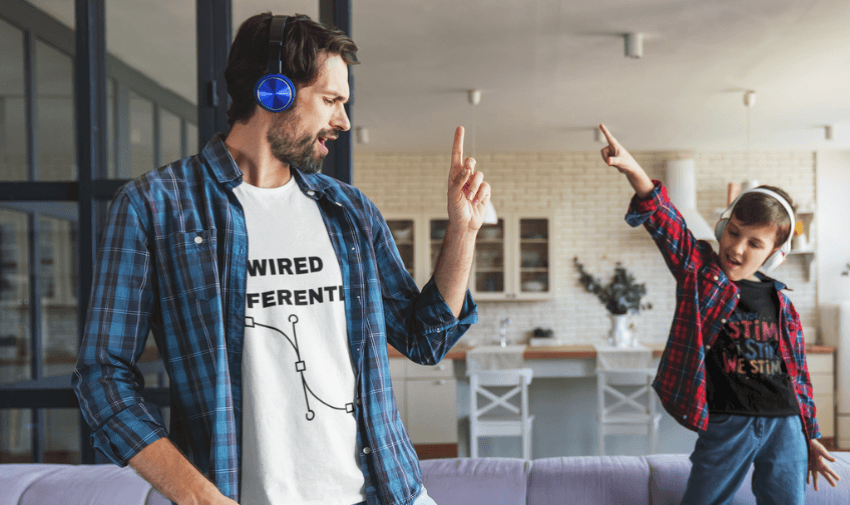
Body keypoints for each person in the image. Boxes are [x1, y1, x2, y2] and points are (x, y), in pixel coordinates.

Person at [73, 12, 490, 505]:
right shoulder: (155, 206)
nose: (343, 121)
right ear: (274, 92)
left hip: (388, 493)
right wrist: (198, 497)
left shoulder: (349, 211)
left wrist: (463, 231)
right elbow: (103, 379)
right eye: (331, 100)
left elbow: (425, 340)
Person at [597, 123, 840, 504]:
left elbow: (798, 376)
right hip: (728, 422)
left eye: (755, 243)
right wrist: (634, 171)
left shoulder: (784, 306)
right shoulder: (701, 273)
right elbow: (666, 221)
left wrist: (810, 434)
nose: (737, 248)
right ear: (723, 226)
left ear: (775, 255)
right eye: (734, 232)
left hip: (786, 424)